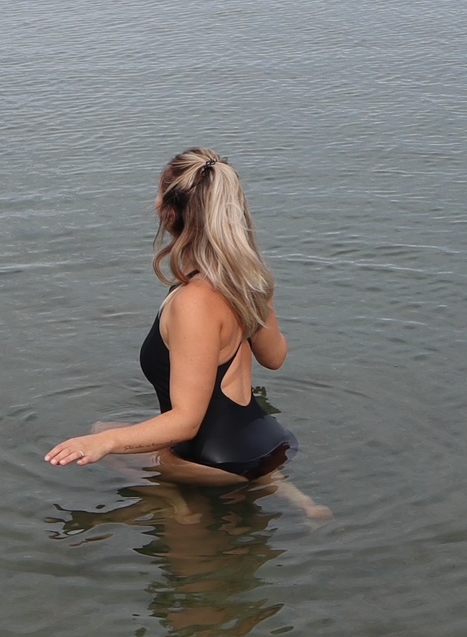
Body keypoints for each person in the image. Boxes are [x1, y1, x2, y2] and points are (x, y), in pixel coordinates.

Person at [46, 149, 329, 516]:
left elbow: (186, 421)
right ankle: (287, 492)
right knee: (107, 429)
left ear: (170, 212)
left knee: (107, 436)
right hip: (269, 441)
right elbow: (275, 357)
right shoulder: (249, 279)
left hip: (216, 461)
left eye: (159, 195)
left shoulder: (193, 302)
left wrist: (104, 442)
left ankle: (178, 507)